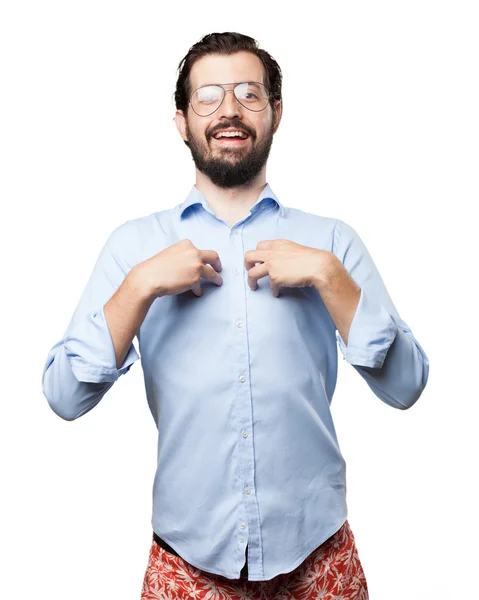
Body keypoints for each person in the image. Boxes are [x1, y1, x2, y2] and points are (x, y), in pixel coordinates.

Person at [41, 31, 429, 600]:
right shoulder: (133, 248)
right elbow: (63, 397)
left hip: (317, 552)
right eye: (209, 96)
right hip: (187, 557)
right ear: (181, 120)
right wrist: (140, 286)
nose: (229, 109)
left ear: (275, 114)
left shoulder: (331, 243)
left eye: (249, 94)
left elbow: (406, 387)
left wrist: (330, 278)